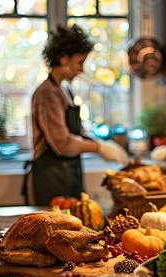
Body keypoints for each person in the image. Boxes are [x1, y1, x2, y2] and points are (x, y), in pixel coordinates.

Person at [26, 24, 129, 206]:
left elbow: (77, 132)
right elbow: (62, 144)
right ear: (63, 59)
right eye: (80, 62)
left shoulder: (64, 90)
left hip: (70, 174)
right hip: (51, 178)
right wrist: (98, 147)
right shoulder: (47, 93)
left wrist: (104, 144)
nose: (82, 69)